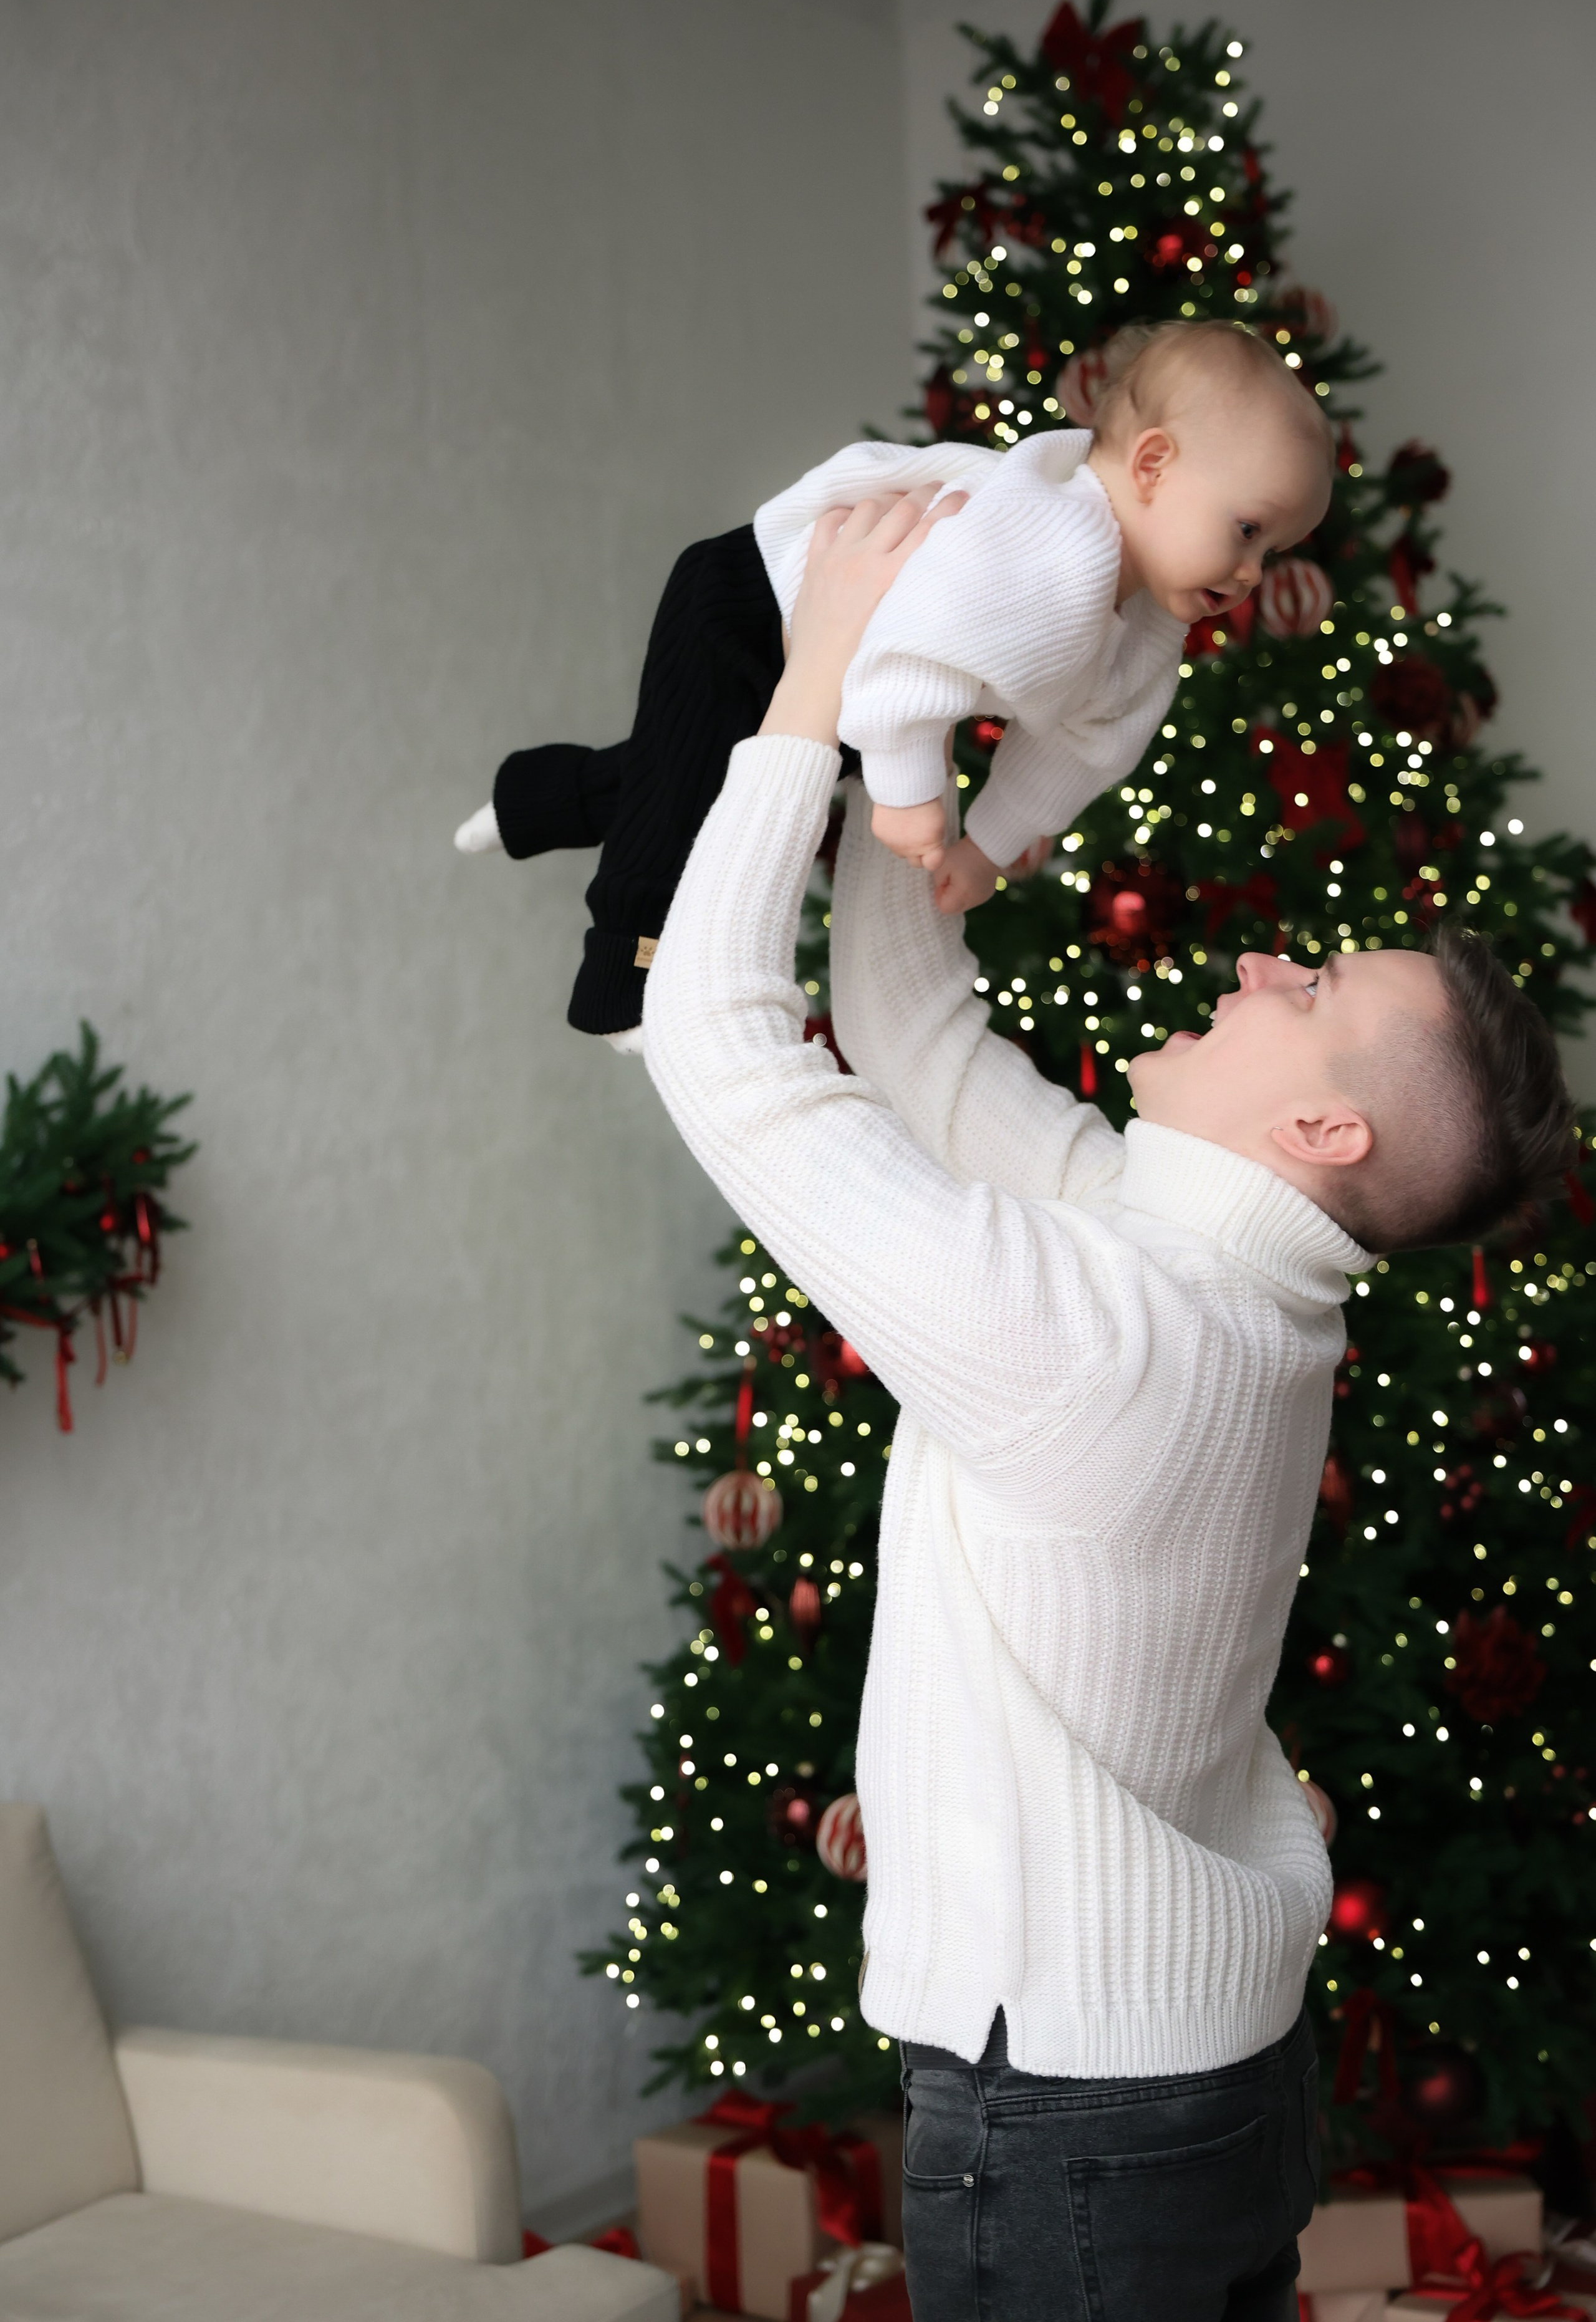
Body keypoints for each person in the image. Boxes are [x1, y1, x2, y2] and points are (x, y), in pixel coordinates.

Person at [638, 491, 1575, 2322]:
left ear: (1326, 1132)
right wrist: (905, 793)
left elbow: (722, 1044)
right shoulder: (1208, 1279)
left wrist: (819, 678)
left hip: (1072, 2119)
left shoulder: (1110, 1323)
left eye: (1302, 991)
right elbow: (921, 1055)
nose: (1252, 965)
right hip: (1192, 2080)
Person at [455, 320, 1331, 1041]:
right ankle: (619, 983)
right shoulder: (1051, 546)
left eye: (1275, 550)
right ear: (1151, 466)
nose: (1254, 572)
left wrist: (987, 845)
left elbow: (1085, 746)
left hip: (845, 676)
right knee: (684, 797)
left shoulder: (1147, 629)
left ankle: (540, 797)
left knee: (684, 770)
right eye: (1248, 529)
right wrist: (911, 790)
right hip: (753, 603)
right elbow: (911, 657)